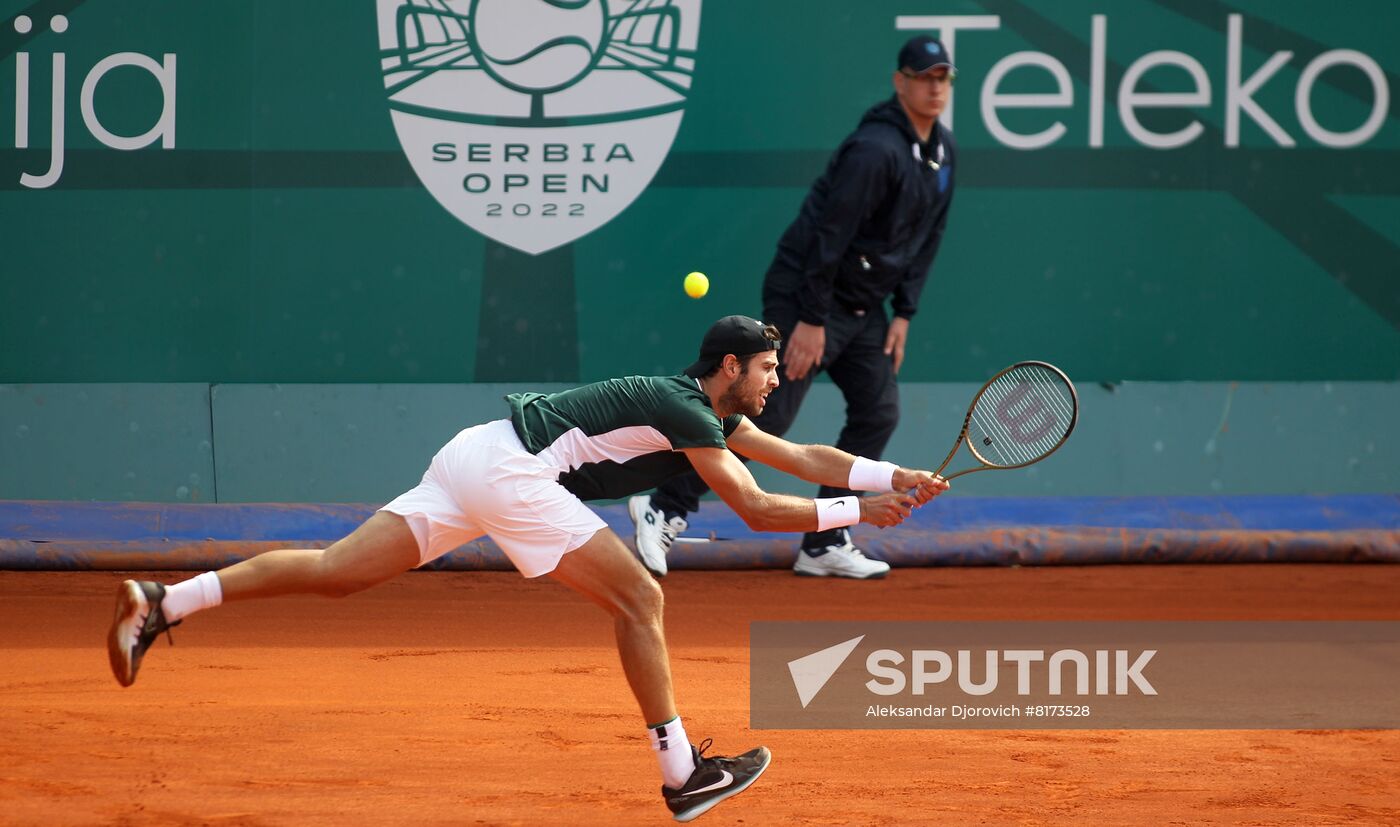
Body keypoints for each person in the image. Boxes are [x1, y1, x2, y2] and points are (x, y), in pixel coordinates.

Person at [107, 314, 950, 823]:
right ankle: (684, 774)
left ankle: (163, 600)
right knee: (639, 595)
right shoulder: (687, 407)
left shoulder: (703, 413)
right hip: (512, 473)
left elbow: (799, 453)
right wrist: (855, 514)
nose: (774, 382)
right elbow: (759, 508)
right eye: (766, 370)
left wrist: (891, 476)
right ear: (729, 368)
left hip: (477, 453)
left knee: (336, 569)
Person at [630, 35, 959, 581]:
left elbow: (930, 234)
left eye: (942, 77)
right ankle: (665, 505)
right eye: (923, 76)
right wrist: (810, 317)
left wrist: (905, 312)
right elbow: (831, 234)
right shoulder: (875, 150)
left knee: (879, 410)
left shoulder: (942, 151)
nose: (933, 87)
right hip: (811, 293)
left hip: (861, 305)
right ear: (900, 82)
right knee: (769, 415)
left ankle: (825, 540)